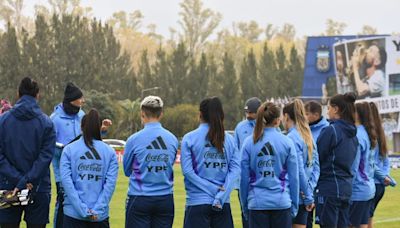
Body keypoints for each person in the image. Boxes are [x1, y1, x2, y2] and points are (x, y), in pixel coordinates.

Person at [51, 82, 112, 228]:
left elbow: (90, 138)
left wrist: (101, 130)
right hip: (63, 172)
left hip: (85, 169)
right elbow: (49, 146)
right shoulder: (55, 119)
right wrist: (64, 149)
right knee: (64, 205)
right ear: (72, 99)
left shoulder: (81, 115)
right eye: (80, 98)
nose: (83, 101)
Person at [0, 77, 55, 228]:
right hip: (37, 186)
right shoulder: (47, 123)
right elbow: (45, 157)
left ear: (18, 94)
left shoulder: (3, 121)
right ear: (38, 95)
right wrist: (27, 180)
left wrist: (18, 179)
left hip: (8, 185)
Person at [181, 97, 240, 228]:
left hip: (197, 204)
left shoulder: (189, 138)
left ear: (200, 114)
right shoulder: (229, 140)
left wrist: (211, 189)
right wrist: (221, 194)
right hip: (223, 204)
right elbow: (235, 170)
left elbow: (188, 172)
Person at [240, 102, 299, 228]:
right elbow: (294, 178)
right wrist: (294, 205)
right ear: (278, 121)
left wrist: (245, 205)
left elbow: (244, 179)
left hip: (256, 204)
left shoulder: (248, 143)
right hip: (282, 203)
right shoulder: (287, 142)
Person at [124, 96, 178, 228]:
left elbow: (127, 170)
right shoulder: (172, 139)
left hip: (140, 197)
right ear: (161, 114)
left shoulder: (134, 139)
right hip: (165, 198)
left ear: (142, 114)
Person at [60, 109, 118, 228]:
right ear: (99, 128)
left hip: (73, 215)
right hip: (99, 217)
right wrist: (97, 209)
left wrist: (82, 209)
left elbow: (67, 183)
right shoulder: (110, 152)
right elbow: (109, 185)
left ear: (81, 127)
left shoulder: (69, 150)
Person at [315, 92, 358, 228]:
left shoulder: (331, 131)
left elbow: (317, 159)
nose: (327, 111)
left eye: (328, 108)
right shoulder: (353, 134)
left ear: (336, 109)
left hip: (329, 189)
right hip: (346, 189)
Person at [350, 102, 392, 228]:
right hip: (372, 185)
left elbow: (357, 165)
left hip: (364, 185)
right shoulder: (375, 134)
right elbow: (383, 160)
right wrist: (385, 175)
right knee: (366, 223)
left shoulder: (361, 135)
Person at [282, 100, 319, 228]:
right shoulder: (308, 136)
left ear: (286, 116)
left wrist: (307, 194)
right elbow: (316, 168)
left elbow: (298, 170)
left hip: (295, 197)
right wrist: (310, 188)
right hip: (306, 194)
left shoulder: (291, 138)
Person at [233, 97, 261, 228]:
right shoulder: (240, 127)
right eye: (247, 112)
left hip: (262, 180)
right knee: (245, 216)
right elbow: (236, 152)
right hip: (243, 181)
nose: (248, 115)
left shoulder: (269, 126)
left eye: (251, 112)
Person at [368, 102, 396, 228]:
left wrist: (382, 177)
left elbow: (369, 162)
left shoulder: (368, 135)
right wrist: (385, 176)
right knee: (368, 221)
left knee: (361, 222)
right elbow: (386, 160)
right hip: (380, 186)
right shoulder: (380, 133)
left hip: (371, 184)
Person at [304, 100, 329, 228]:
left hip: (323, 183)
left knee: (324, 221)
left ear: (316, 114)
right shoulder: (303, 130)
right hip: (307, 184)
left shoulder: (327, 130)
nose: (304, 116)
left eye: (306, 113)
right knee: (305, 220)